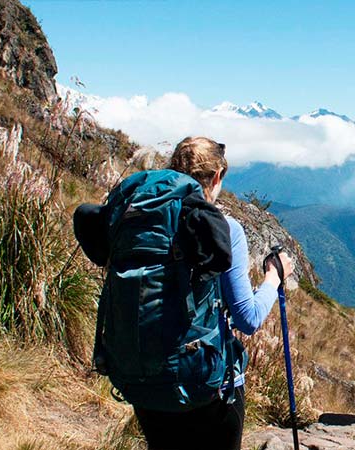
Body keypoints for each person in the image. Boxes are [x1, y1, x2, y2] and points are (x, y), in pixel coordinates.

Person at [75, 137, 292, 450]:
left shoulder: (136, 221)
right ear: (217, 177)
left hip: (144, 379)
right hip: (206, 385)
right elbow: (248, 318)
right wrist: (274, 277)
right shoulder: (225, 229)